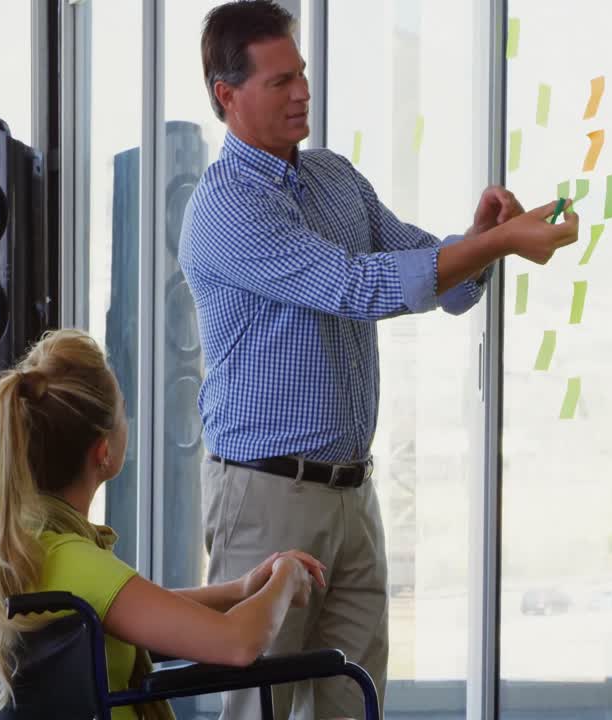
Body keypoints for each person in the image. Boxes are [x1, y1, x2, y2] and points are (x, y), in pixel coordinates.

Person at [180, 3, 579, 718]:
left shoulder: (335, 177)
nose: (302, 92)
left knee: (354, 703)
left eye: (301, 73)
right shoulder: (225, 209)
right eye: (279, 82)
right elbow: (357, 289)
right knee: (257, 709)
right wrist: (493, 246)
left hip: (352, 497)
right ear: (226, 96)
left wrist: (478, 237)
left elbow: (428, 276)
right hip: (266, 501)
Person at [0, 329, 327, 720]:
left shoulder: (27, 543)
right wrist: (286, 577)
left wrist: (240, 589)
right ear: (103, 452)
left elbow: (136, 610)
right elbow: (239, 643)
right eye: (123, 410)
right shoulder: (74, 559)